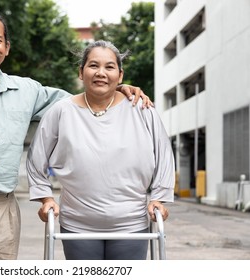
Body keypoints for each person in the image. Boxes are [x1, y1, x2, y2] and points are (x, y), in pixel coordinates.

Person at [0, 13, 151, 260]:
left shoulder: (26, 90)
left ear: (7, 48)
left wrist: (116, 88)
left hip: (5, 209)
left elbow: (81, 100)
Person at [27, 40, 175, 260]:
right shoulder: (61, 111)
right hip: (78, 224)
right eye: (93, 65)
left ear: (120, 75)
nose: (101, 73)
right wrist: (45, 198)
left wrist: (159, 198)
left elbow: (164, 154)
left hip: (131, 223)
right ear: (81, 72)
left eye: (109, 67)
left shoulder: (142, 109)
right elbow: (36, 158)